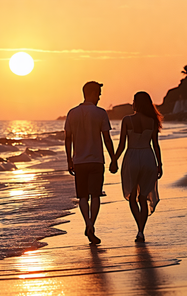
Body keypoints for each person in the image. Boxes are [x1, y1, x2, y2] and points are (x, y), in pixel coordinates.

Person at [65, 81, 115, 245]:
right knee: (95, 195)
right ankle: (91, 224)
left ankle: (88, 223)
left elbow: (68, 139)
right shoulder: (100, 113)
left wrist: (69, 160)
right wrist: (113, 158)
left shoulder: (72, 113)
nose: (99, 96)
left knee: (82, 197)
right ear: (92, 93)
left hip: (79, 161)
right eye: (98, 93)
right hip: (96, 160)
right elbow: (106, 138)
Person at [110, 91, 163, 243]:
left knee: (132, 197)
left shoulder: (127, 120)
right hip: (148, 157)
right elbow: (155, 145)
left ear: (136, 103)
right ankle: (141, 231)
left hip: (132, 157)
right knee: (143, 197)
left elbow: (121, 145)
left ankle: (139, 228)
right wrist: (160, 164)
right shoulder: (152, 121)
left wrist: (114, 160)